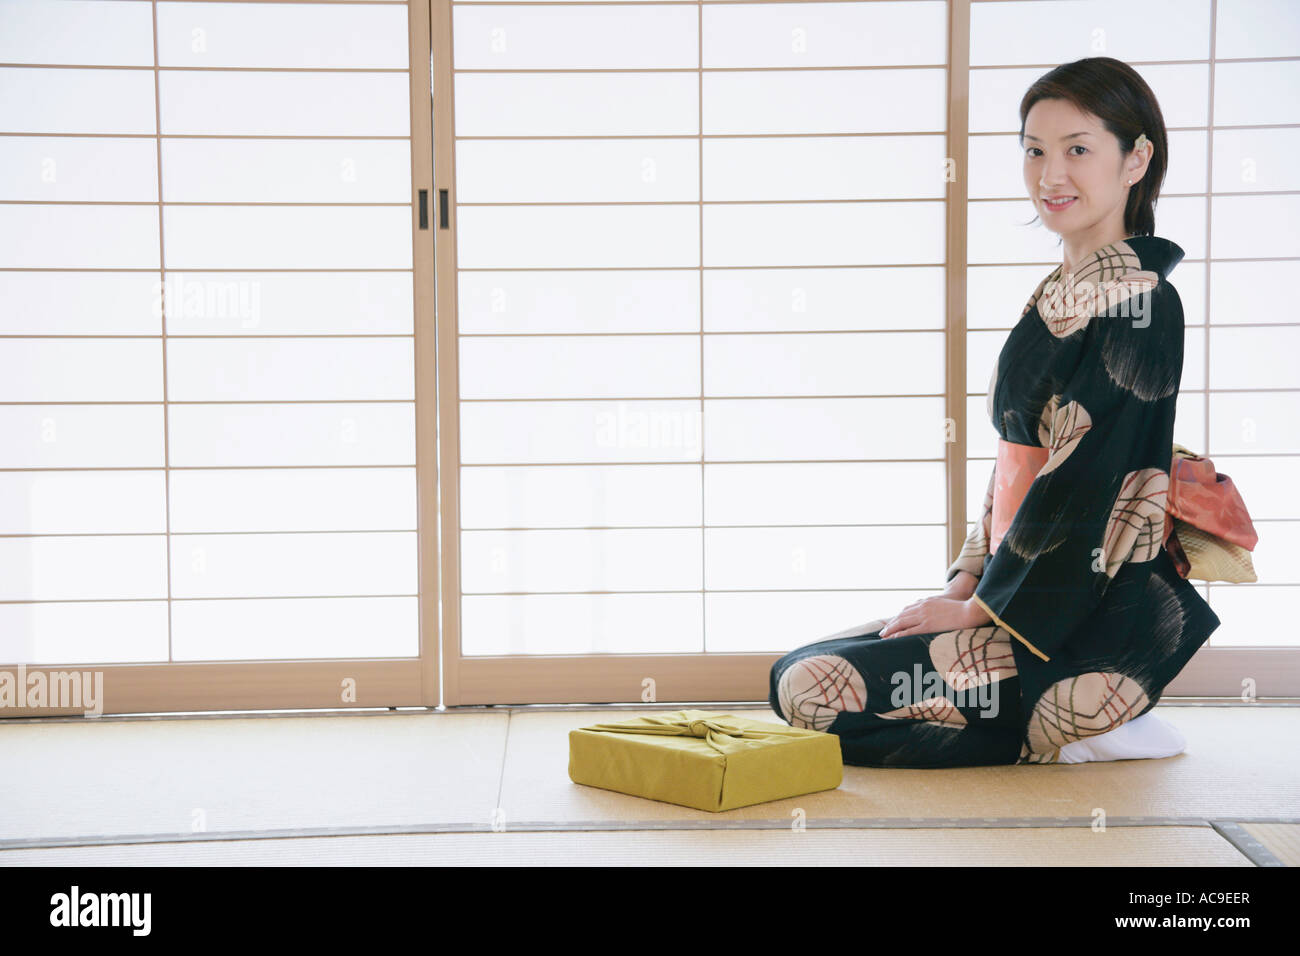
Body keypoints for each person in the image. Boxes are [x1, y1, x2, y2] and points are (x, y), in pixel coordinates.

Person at [768, 57, 1221, 767]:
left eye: (1078, 149)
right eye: (1035, 151)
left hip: (1074, 626)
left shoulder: (1140, 304)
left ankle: (1083, 717)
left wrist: (980, 613)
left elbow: (1083, 488)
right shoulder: (1057, 293)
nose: (1051, 175)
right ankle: (1043, 723)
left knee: (809, 691)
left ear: (1136, 159)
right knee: (802, 667)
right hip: (1010, 596)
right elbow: (1015, 461)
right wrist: (963, 584)